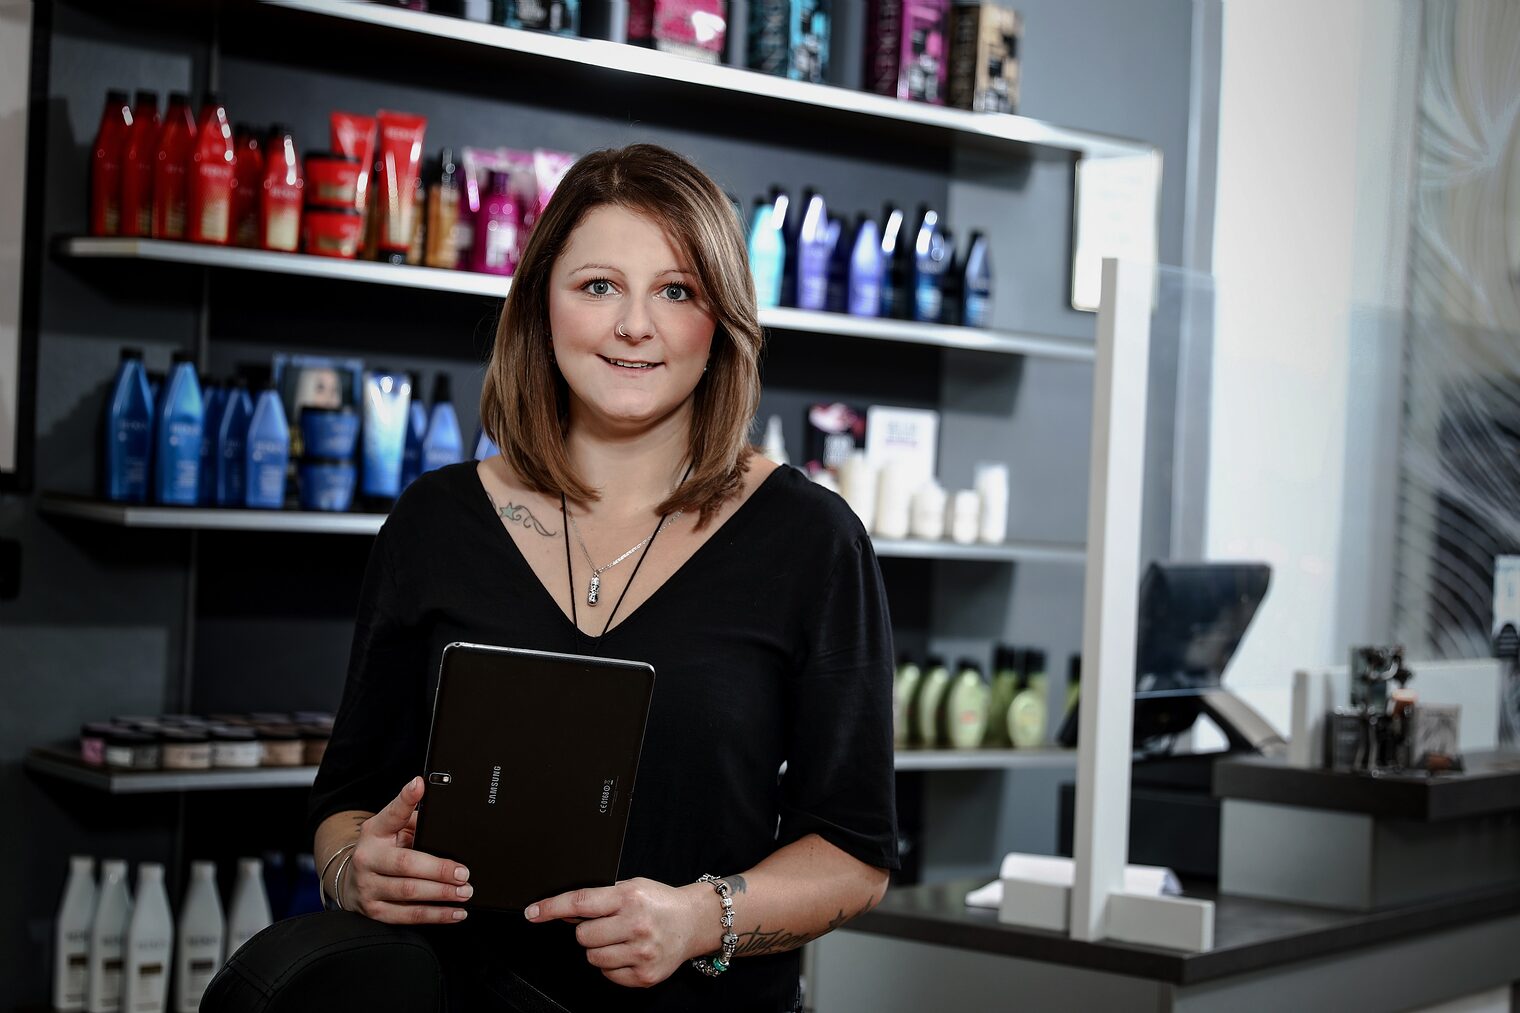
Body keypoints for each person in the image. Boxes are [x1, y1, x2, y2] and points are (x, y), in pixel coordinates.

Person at [307, 143, 899, 1012]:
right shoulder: (433, 523)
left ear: (722, 319)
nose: (634, 326)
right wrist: (358, 870)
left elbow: (855, 853)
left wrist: (703, 917)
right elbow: (347, 801)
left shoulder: (811, 541)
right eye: (598, 286)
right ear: (541, 301)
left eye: (676, 290)